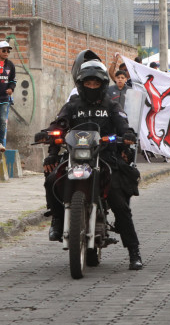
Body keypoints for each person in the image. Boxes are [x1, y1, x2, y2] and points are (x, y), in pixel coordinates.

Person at [38, 60, 142, 270]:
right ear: (81, 84)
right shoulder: (72, 105)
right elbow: (59, 125)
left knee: (118, 198)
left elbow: (123, 125)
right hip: (75, 156)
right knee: (51, 180)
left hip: (104, 157)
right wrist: (49, 141)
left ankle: (134, 251)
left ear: (102, 85)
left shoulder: (111, 105)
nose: (92, 87)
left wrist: (127, 135)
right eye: (88, 84)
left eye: (96, 84)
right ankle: (58, 220)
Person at [0, 40, 17, 146]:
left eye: (8, 51)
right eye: (4, 50)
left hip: (4, 99)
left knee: (2, 121)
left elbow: (13, 80)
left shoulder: (10, 65)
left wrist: (11, 88)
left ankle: (1, 144)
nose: (6, 52)